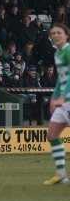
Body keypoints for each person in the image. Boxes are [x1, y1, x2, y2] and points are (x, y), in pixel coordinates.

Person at [43, 24, 70, 185]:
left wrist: (64, 97)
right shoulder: (58, 53)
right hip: (64, 101)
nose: (56, 35)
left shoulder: (68, 51)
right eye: (53, 33)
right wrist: (54, 97)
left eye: (59, 32)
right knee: (52, 135)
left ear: (66, 35)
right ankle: (61, 174)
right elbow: (61, 78)